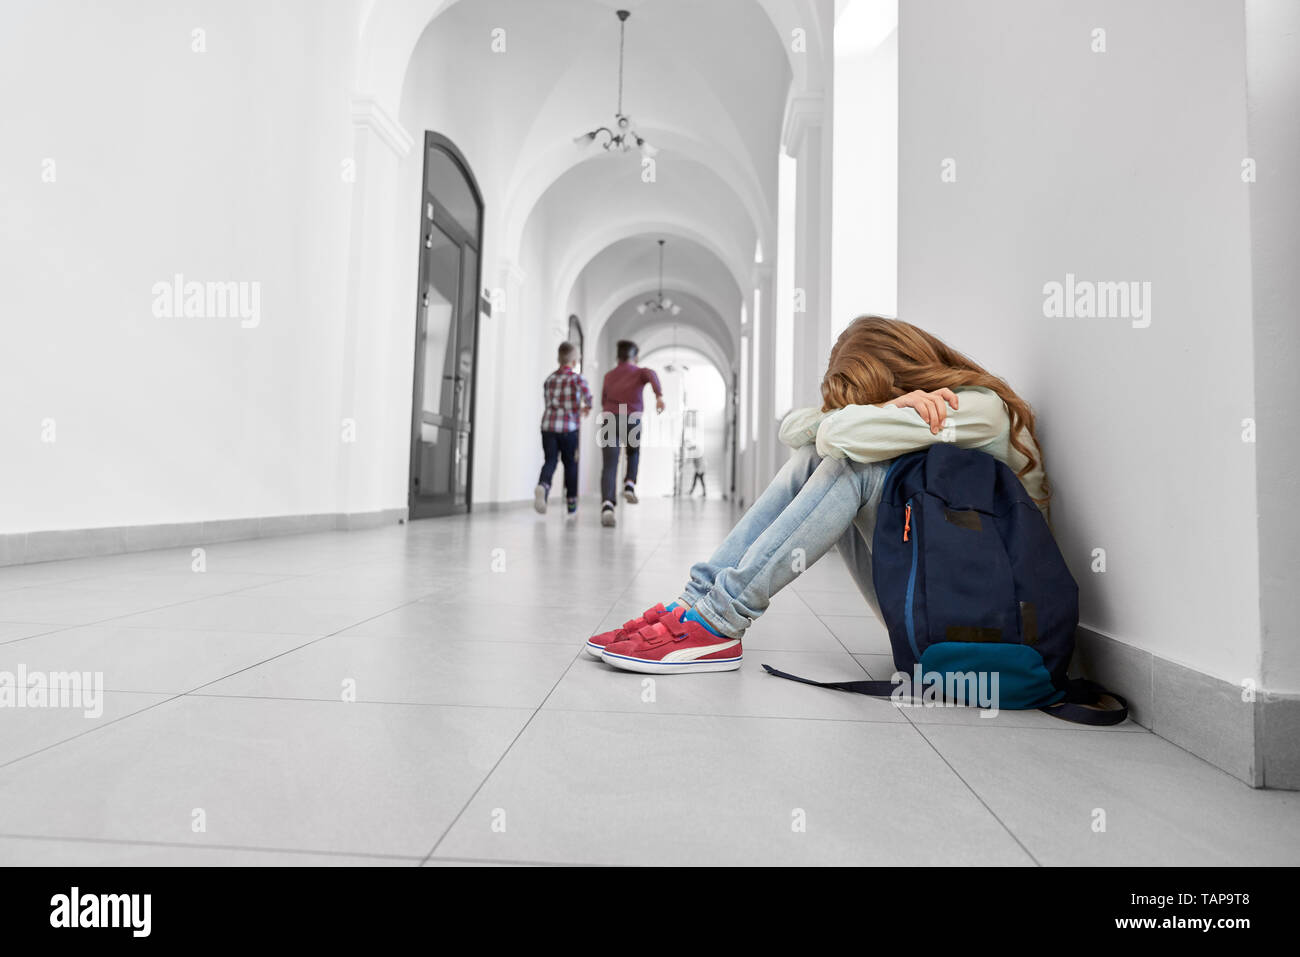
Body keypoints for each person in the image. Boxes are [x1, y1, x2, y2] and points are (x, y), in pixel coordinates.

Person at [584, 315, 1051, 673]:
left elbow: (836, 439)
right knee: (814, 459)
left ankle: (720, 621)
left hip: (993, 627)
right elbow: (797, 428)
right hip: (936, 602)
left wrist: (869, 414)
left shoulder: (975, 410)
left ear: (904, 374)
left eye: (881, 399)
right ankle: (698, 603)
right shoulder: (914, 409)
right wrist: (884, 408)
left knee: (852, 464)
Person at [598, 339, 665, 527]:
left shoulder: (609, 375)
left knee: (609, 465)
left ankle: (607, 506)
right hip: (631, 418)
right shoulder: (640, 372)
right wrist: (658, 396)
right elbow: (652, 374)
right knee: (633, 452)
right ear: (635, 357)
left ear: (617, 357)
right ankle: (629, 483)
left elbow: (603, 399)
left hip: (610, 418)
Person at [535, 341, 592, 516]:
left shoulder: (549, 379)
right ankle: (571, 502)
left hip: (548, 425)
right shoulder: (577, 378)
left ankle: (543, 486)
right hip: (569, 427)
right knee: (570, 464)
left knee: (550, 460)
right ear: (574, 362)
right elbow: (588, 397)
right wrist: (586, 408)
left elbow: (548, 401)